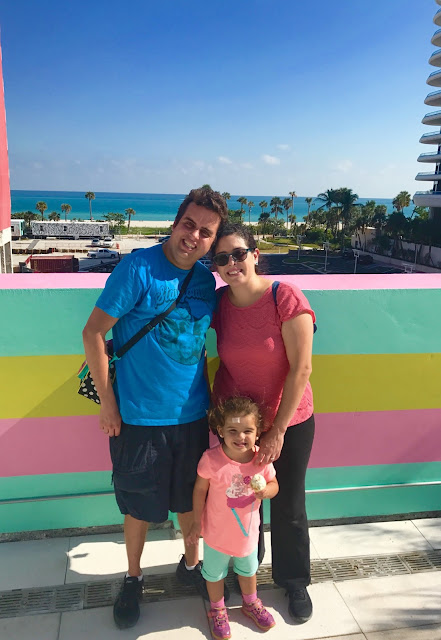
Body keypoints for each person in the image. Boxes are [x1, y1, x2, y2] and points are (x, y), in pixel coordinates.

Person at [82, 187, 228, 630]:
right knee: (139, 507)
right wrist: (109, 404)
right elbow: (92, 335)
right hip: (139, 417)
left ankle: (190, 566)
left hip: (191, 417)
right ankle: (133, 577)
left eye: (205, 232)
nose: (194, 236)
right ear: (175, 222)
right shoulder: (138, 268)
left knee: (191, 501)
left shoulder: (206, 281)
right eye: (189, 224)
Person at [210, 223, 315, 624]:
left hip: (287, 420)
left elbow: (301, 368)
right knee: (242, 501)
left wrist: (277, 430)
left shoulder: (283, 296)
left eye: (238, 254)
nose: (231, 263)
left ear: (256, 255)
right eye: (222, 258)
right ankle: (246, 568)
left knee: (286, 503)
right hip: (237, 427)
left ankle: (294, 580)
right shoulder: (220, 304)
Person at [187, 397, 279, 640]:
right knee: (214, 574)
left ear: (258, 432)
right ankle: (217, 609)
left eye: (248, 430)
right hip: (217, 533)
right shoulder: (212, 459)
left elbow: (274, 484)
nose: (241, 437)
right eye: (233, 431)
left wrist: (266, 492)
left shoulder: (261, 459)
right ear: (220, 431)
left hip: (248, 534)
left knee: (248, 570)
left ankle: (251, 602)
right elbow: (199, 490)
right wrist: (197, 522)